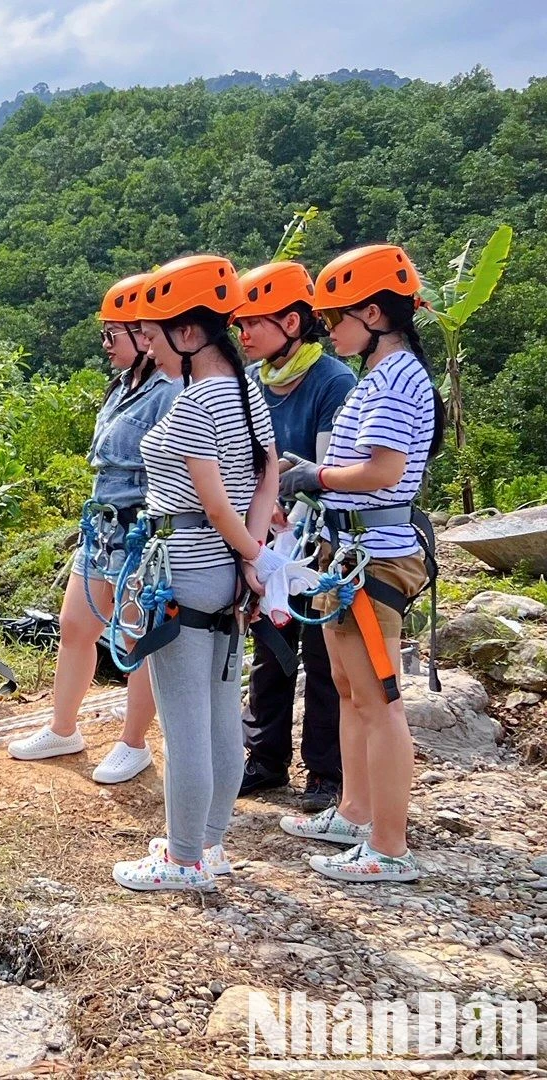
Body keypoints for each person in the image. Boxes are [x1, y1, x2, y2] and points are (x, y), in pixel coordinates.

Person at [110, 254, 279, 892]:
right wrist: (251, 552)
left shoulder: (192, 409)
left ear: (187, 333)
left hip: (184, 569)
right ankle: (210, 844)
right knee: (219, 714)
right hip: (226, 577)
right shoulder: (245, 393)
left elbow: (209, 500)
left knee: (184, 723)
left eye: (153, 335)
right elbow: (266, 477)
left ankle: (182, 859)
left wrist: (252, 555)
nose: (147, 348)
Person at [276, 244, 441, 884]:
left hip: (376, 555)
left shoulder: (399, 379)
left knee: (378, 700)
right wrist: (313, 481)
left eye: (335, 316)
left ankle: (390, 846)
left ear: (372, 313)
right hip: (348, 551)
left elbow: (384, 471)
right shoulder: (383, 376)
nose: (328, 329)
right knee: (351, 692)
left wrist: (311, 474)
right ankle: (356, 812)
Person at [6, 273, 172, 782]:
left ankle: (133, 741)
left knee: (133, 635)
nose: (105, 346)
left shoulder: (169, 390)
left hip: (139, 528)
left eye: (112, 335)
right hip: (102, 522)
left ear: (143, 335)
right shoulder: (124, 386)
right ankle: (63, 727)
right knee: (76, 624)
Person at [233, 261, 358, 809]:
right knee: (272, 646)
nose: (243, 336)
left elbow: (332, 467)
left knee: (324, 656)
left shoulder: (333, 382)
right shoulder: (257, 385)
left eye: (252, 323)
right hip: (273, 537)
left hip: (323, 539)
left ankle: (328, 775)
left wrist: (286, 499)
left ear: (289, 322)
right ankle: (265, 759)